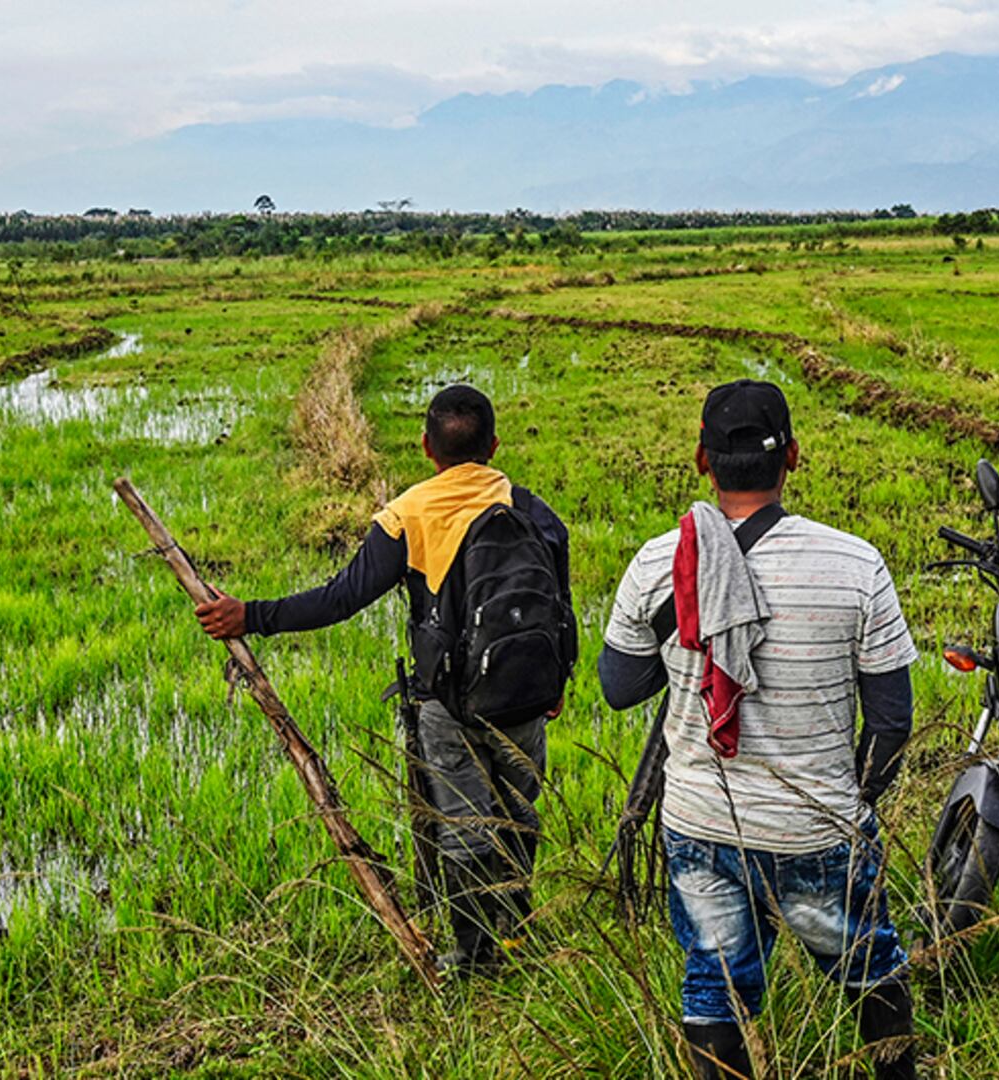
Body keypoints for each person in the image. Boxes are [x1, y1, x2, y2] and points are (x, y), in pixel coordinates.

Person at [193, 384, 576, 974]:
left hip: (448, 705)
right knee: (520, 817)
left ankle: (475, 959)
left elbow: (341, 598)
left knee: (465, 828)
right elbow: (560, 604)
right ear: (494, 445)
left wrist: (252, 616)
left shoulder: (409, 514)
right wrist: (558, 683)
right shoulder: (531, 507)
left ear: (427, 447)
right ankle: (517, 935)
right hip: (528, 698)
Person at [598, 380, 918, 1080]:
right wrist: (851, 801)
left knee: (714, 986)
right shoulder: (855, 564)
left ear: (701, 460)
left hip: (701, 825)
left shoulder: (661, 563)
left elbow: (619, 689)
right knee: (870, 974)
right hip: (816, 826)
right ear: (794, 457)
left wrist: (687, 634)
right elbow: (892, 722)